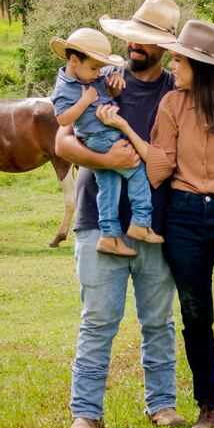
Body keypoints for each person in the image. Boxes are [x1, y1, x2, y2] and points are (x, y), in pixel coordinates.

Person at [55, 0, 214, 428]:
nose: (135, 47)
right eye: (132, 39)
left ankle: (162, 404)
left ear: (169, 49)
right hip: (97, 220)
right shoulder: (100, 78)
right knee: (98, 320)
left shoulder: (180, 89)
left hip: (158, 226)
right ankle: (86, 413)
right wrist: (105, 161)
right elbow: (61, 142)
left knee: (159, 321)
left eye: (147, 42)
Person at [95, 19, 214, 428]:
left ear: (202, 64)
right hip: (182, 217)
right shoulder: (173, 105)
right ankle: (208, 407)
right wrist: (124, 127)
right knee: (196, 318)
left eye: (179, 59)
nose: (173, 65)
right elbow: (160, 167)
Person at [49, 27, 163, 258]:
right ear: (74, 60)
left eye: (100, 67)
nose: (97, 73)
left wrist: (114, 80)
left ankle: (109, 236)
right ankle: (140, 222)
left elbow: (107, 91)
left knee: (109, 187)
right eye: (94, 67)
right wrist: (84, 102)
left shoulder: (92, 77)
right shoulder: (68, 88)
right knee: (137, 171)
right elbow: (62, 120)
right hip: (102, 138)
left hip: (102, 137)